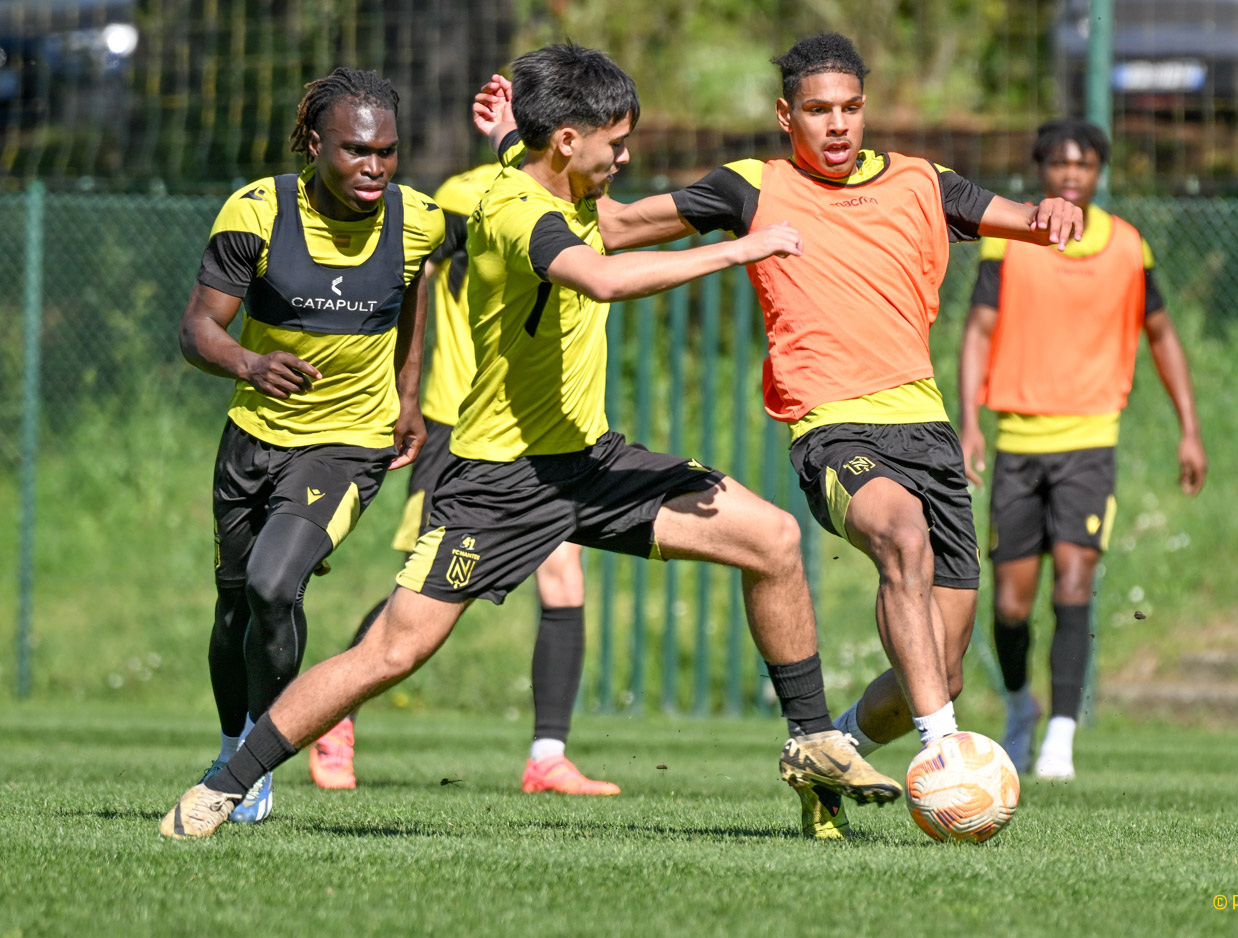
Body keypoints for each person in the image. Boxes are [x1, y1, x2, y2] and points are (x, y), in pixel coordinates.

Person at [161, 43, 899, 840]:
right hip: (500, 480)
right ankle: (224, 783)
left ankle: (814, 742)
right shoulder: (517, 211)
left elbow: (568, 181)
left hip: (589, 461)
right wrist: (741, 246)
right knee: (393, 653)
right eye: (617, 142)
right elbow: (602, 274)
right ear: (570, 143)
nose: (626, 156)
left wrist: (516, 129)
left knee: (775, 539)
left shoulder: (564, 174)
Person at [528, 32, 1084, 838]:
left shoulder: (922, 182)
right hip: (834, 429)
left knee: (943, 661)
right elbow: (612, 227)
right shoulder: (753, 187)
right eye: (818, 110)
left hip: (924, 430)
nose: (837, 125)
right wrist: (524, 146)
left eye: (851, 109)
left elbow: (1033, 220)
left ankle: (832, 749)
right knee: (899, 536)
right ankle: (947, 751)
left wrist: (1055, 212)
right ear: (786, 115)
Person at [310, 111, 617, 797]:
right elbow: (413, 277)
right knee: (424, 596)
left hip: (537, 432)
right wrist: (407, 391)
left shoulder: (581, 200)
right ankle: (335, 709)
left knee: (563, 581)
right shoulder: (467, 193)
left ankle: (547, 756)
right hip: (462, 423)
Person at [177, 67, 444, 825]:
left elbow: (414, 294)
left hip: (349, 443)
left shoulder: (416, 219)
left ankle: (256, 763)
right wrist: (250, 364)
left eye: (387, 153)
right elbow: (199, 329)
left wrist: (410, 394)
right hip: (253, 435)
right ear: (314, 143)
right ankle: (231, 749)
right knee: (233, 609)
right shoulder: (257, 212)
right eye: (357, 151)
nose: (374, 167)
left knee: (273, 585)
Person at [958, 118, 1207, 782]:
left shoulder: (1127, 246)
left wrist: (1189, 427)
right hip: (1018, 442)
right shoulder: (1008, 242)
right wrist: (969, 424)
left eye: (1086, 164)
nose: (1073, 174)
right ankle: (1020, 708)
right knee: (1011, 603)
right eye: (1061, 163)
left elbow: (1163, 336)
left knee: (1074, 580)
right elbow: (978, 332)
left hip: (1090, 442)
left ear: (1100, 172)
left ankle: (1061, 738)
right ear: (1040, 169)